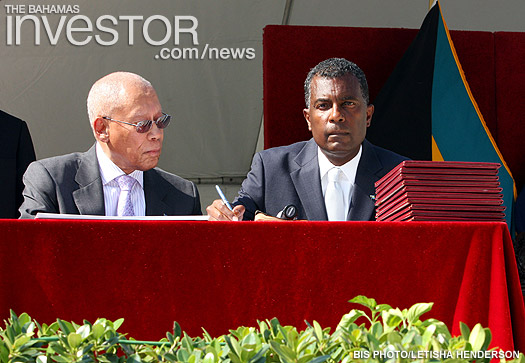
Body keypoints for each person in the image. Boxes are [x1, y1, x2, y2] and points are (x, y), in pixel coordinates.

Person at [207, 58, 407, 221]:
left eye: (348, 103)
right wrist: (223, 214)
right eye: (323, 105)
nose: (336, 115)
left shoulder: (402, 175)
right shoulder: (270, 168)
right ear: (308, 119)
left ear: (368, 115)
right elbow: (240, 214)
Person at [19, 72, 201, 218]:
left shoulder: (183, 195)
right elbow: (29, 256)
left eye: (160, 121)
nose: (156, 134)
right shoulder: (53, 181)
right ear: (102, 129)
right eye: (142, 125)